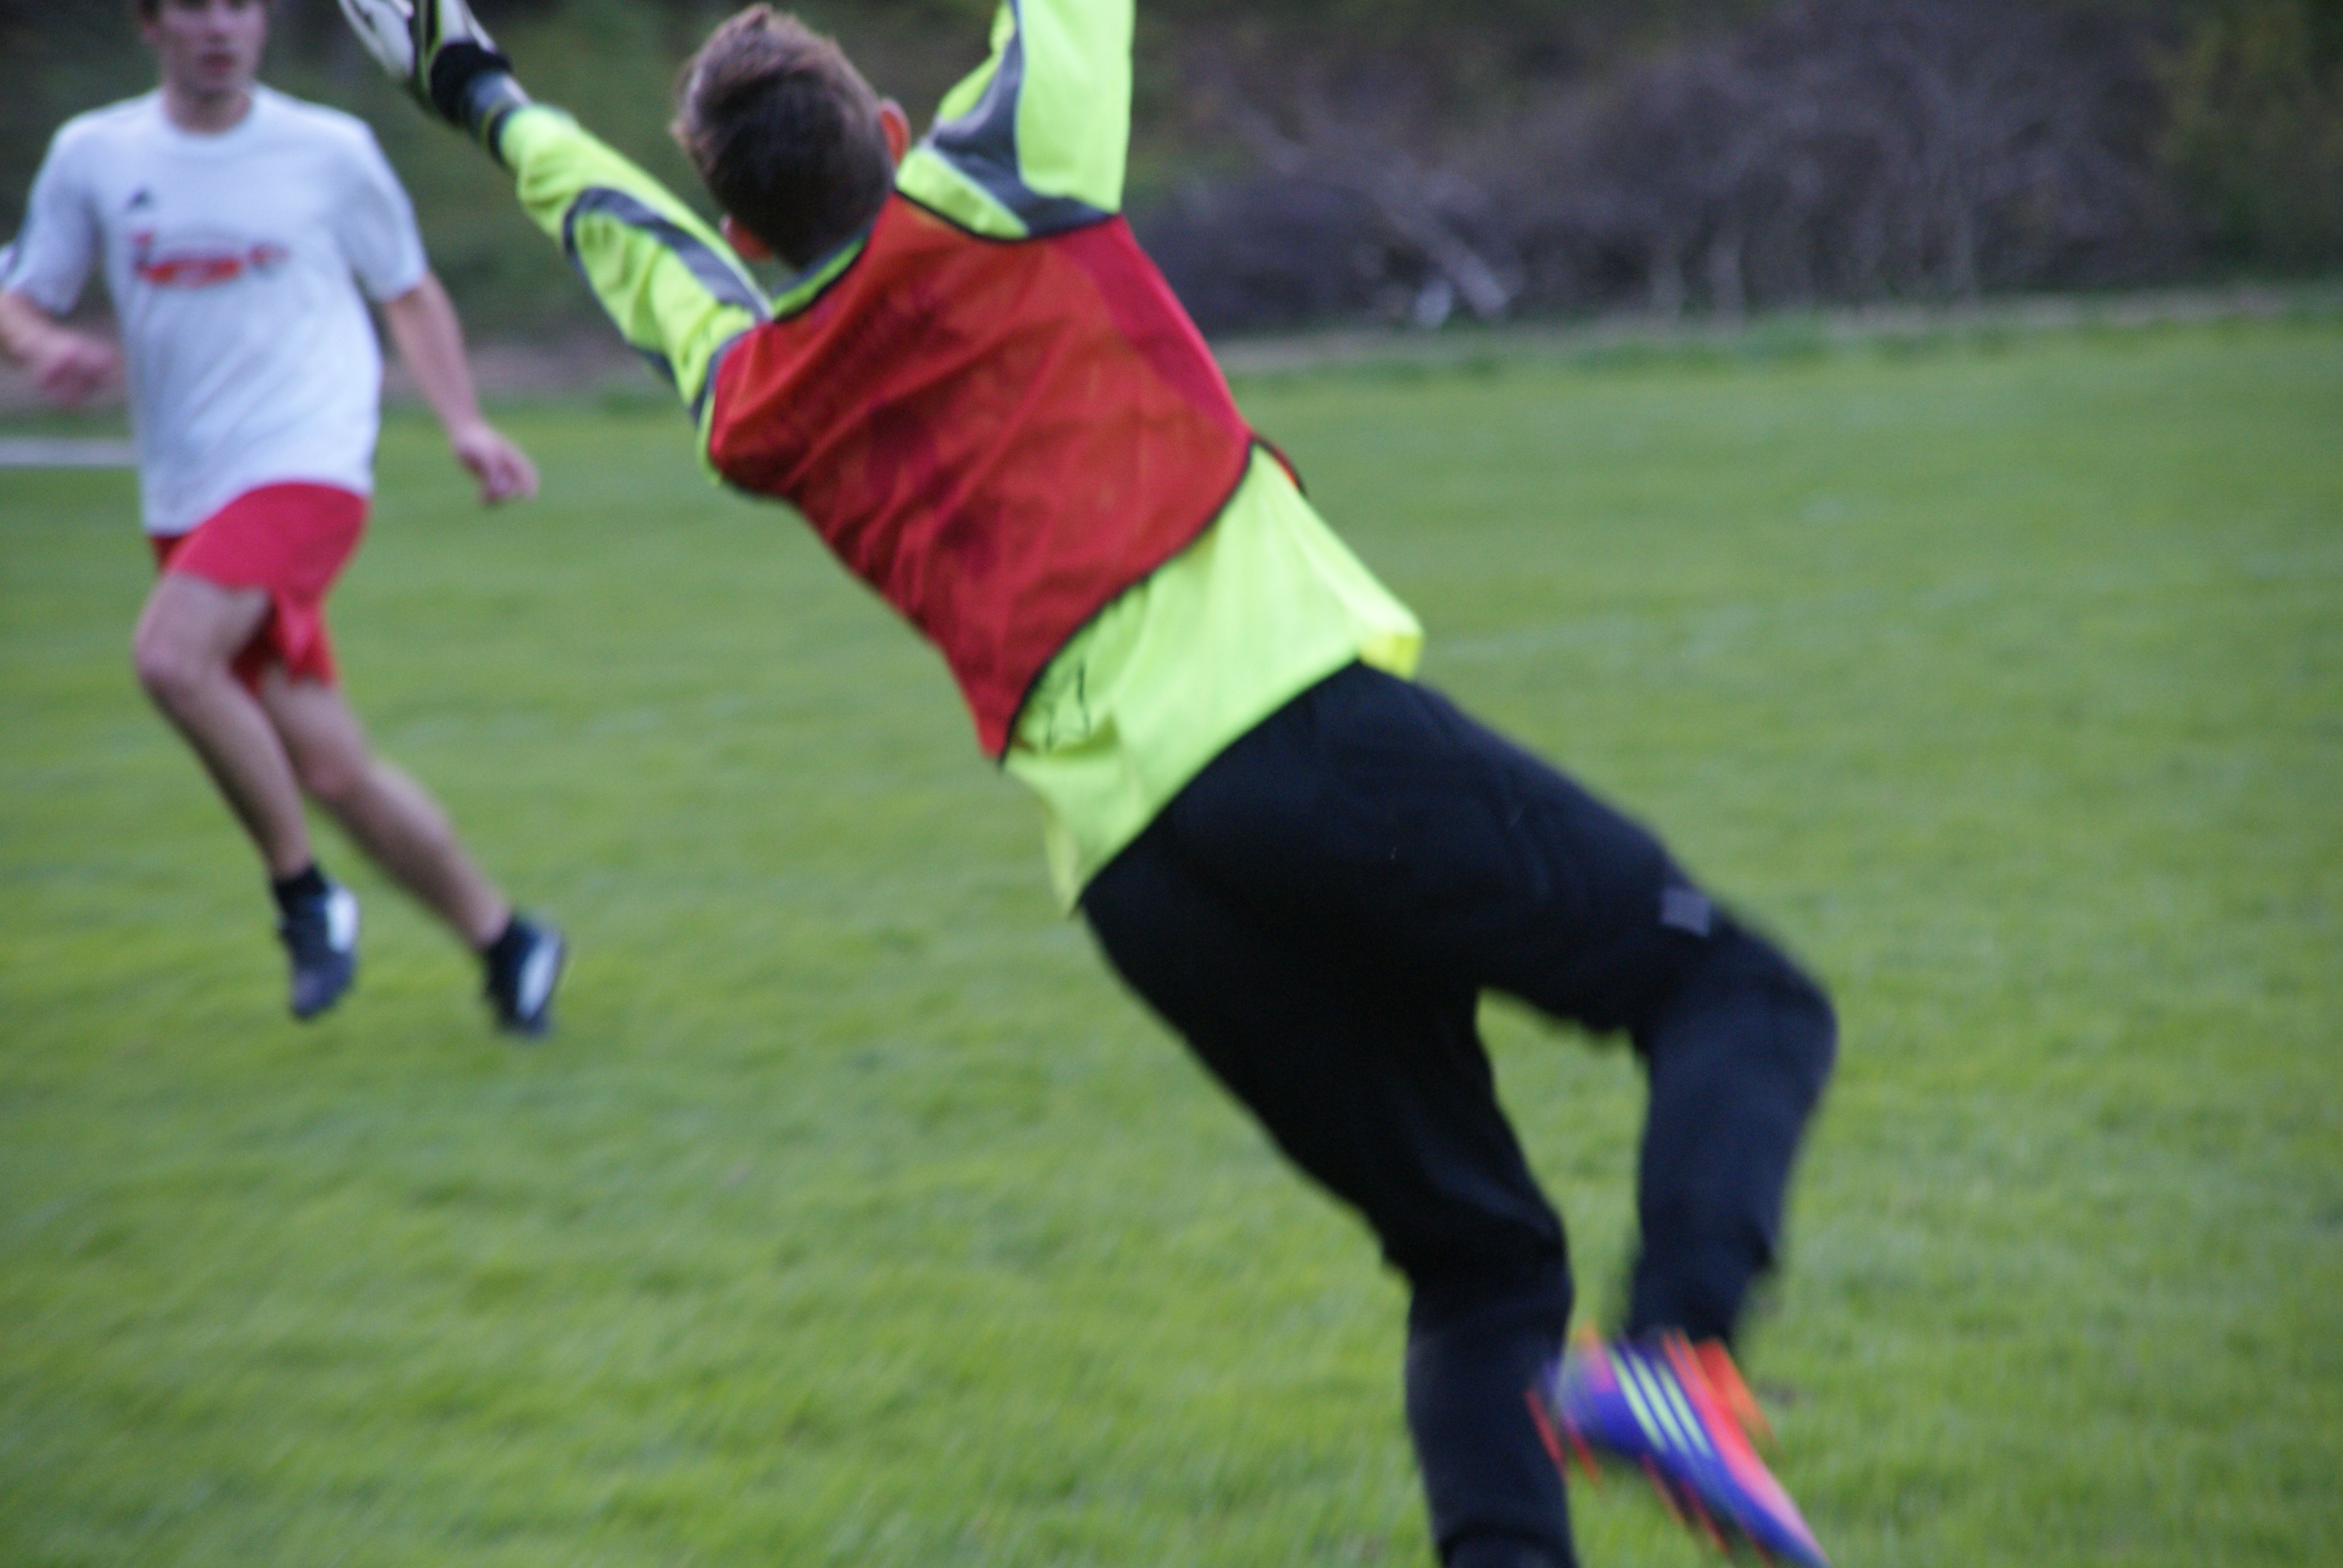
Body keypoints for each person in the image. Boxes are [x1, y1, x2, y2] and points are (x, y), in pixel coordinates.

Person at [336, 1, 1838, 1561]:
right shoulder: (1002, 181)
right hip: (1298, 741)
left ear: (745, 238)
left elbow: (619, 241)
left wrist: (477, 87)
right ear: (895, 134)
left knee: (1478, 1262)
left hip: (1141, 884)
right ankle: (1677, 1359)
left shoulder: (754, 400)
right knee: (1734, 993)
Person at [0, 0, 566, 1034]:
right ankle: (507, 941)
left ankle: (304, 897)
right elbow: (21, 294)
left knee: (170, 661)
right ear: (151, 24)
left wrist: (465, 423)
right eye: (195, 6)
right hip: (187, 496)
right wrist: (40, 349)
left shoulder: (330, 151)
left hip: (312, 465)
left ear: (263, 23)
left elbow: (407, 290)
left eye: (242, 5)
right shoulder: (94, 155)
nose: (221, 26)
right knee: (334, 770)